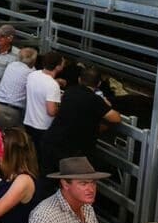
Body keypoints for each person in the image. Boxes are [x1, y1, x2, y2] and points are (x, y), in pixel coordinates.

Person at [39, 66, 121, 199]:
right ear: (98, 84)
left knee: (46, 183)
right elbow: (115, 118)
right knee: (69, 187)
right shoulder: (94, 100)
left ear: (79, 80)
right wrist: (106, 106)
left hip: (52, 143)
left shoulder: (70, 92)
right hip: (71, 153)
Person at [24, 51, 65, 158]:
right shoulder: (53, 85)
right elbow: (51, 111)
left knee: (30, 156)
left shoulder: (33, 75)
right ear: (58, 67)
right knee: (41, 158)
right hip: (43, 127)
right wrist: (60, 104)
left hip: (28, 122)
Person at [0, 46, 38, 131]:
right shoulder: (32, 72)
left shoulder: (11, 65)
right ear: (33, 60)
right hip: (12, 112)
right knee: (13, 139)